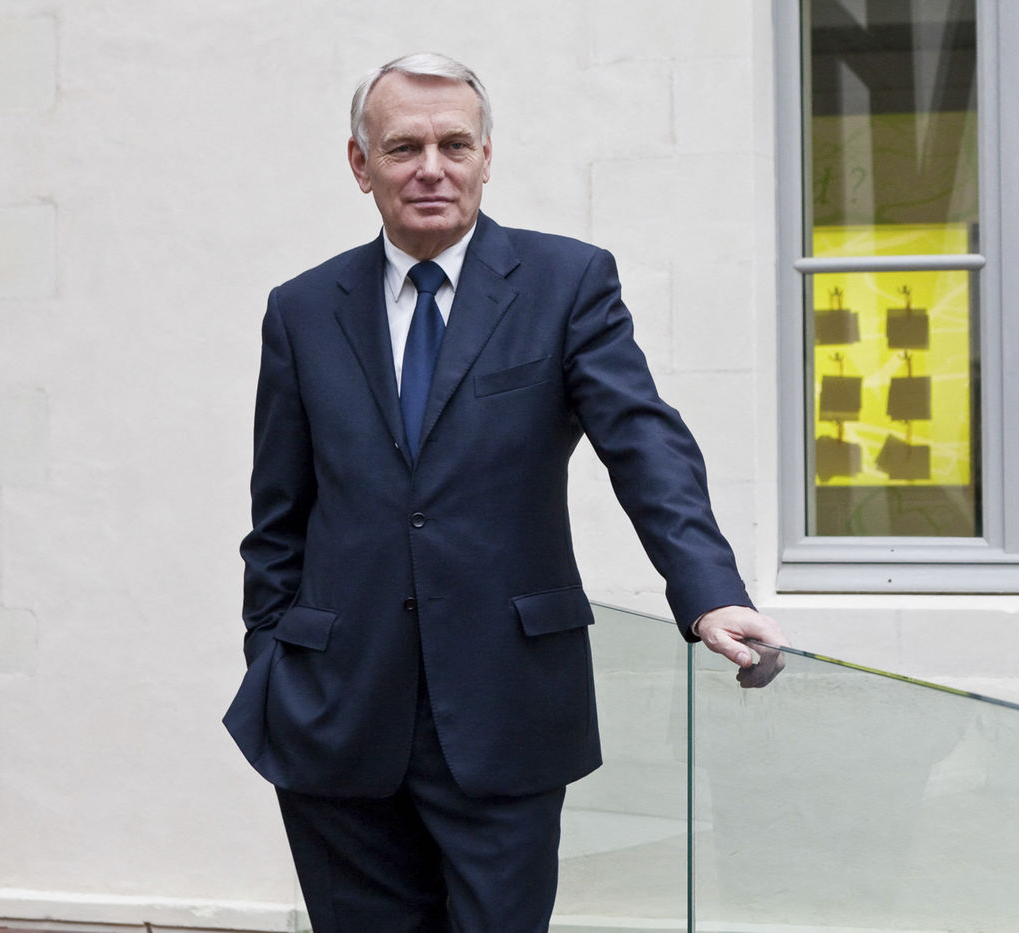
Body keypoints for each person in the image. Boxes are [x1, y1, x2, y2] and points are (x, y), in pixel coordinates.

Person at [223, 52, 787, 932]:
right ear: (361, 164)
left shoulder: (567, 284)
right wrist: (271, 657)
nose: (432, 168)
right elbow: (279, 513)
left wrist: (708, 590)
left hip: (506, 705)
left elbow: (644, 444)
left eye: (455, 144)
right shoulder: (301, 309)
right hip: (335, 712)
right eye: (404, 147)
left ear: (487, 157)